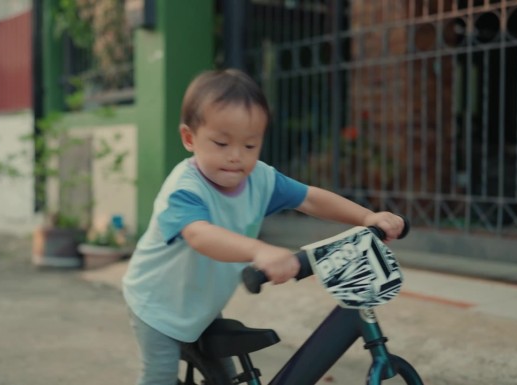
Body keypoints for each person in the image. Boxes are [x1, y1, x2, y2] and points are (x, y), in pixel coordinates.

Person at [122, 68, 404, 385]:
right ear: (190, 138)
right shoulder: (185, 190)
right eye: (221, 143)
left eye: (249, 146)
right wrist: (260, 250)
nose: (235, 157)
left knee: (226, 377)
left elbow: (310, 199)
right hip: (157, 305)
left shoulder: (259, 179)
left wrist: (367, 217)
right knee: (159, 377)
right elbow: (199, 235)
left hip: (201, 303)